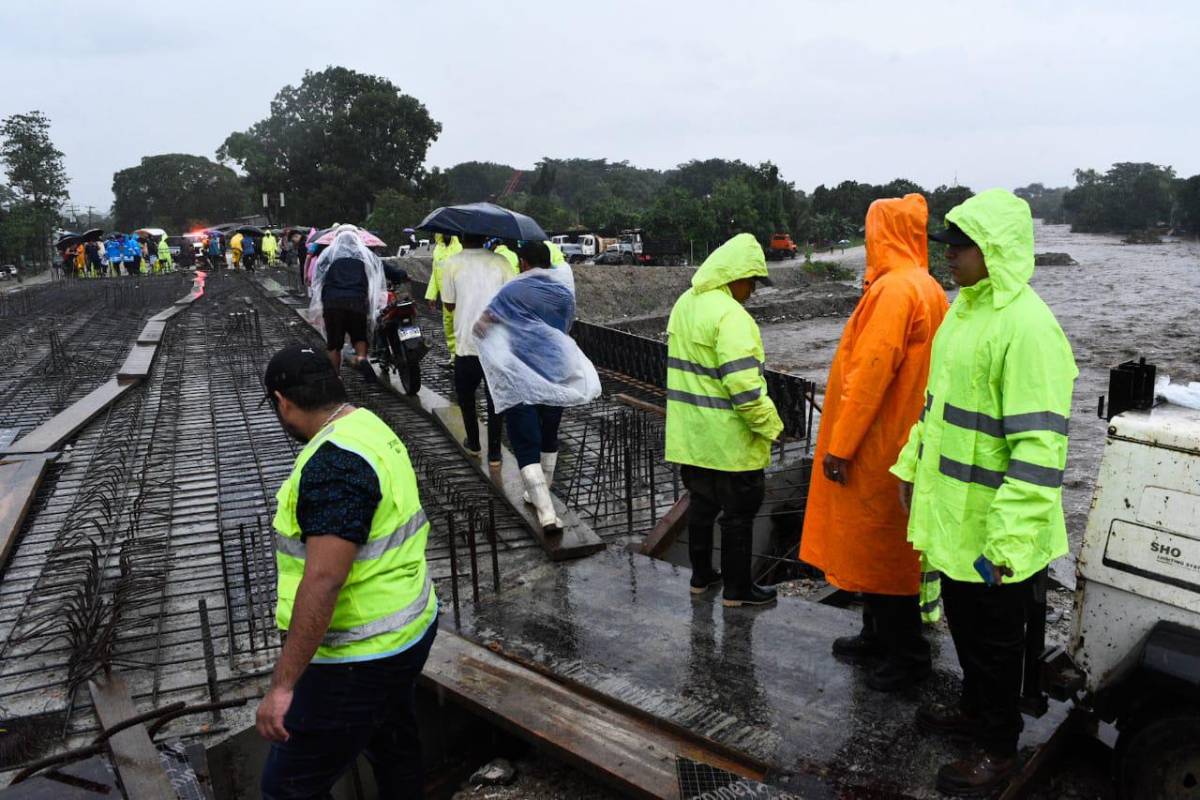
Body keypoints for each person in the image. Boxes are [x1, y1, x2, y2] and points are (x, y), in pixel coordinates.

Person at [890, 189, 1077, 796]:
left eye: (961, 248)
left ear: (992, 250)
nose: (950, 259)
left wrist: (1005, 541)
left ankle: (998, 749)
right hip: (955, 519)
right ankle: (975, 711)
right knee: (970, 631)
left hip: (997, 533)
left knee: (997, 643)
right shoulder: (965, 315)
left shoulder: (1028, 330)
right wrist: (909, 467)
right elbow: (936, 411)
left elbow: (1040, 451)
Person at [256, 344, 438, 799]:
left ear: (283, 402)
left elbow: (324, 578)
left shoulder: (334, 464)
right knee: (393, 744)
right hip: (410, 628)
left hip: (359, 656)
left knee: (288, 788)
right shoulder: (366, 424)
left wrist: (283, 686)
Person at [799, 194, 949, 691]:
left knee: (881, 549)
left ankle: (905, 654)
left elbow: (868, 377)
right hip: (901, 436)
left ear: (881, 234)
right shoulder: (924, 286)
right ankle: (876, 635)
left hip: (878, 442)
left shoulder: (894, 291)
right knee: (881, 546)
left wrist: (840, 446)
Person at [664, 233, 783, 607]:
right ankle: (737, 590)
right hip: (729, 443)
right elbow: (744, 388)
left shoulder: (685, 303)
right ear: (736, 276)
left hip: (692, 437)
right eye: (752, 282)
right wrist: (771, 426)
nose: (752, 292)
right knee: (738, 516)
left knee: (701, 506)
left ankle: (701, 578)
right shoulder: (732, 316)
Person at [473, 240, 601, 534]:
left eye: (520, 262)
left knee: (526, 440)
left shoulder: (512, 291)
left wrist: (502, 341)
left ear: (526, 263)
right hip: (555, 374)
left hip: (521, 380)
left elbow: (482, 325)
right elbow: (564, 330)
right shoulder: (564, 294)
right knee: (549, 435)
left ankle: (546, 513)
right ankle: (540, 495)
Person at [441, 233, 511, 465]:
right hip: (496, 344)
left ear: (461, 238)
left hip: (466, 344)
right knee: (495, 399)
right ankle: (495, 453)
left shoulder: (451, 263)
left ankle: (473, 443)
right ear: (485, 238)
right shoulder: (502, 262)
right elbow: (511, 300)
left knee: (467, 397)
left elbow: (449, 304)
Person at [308, 228, 386, 379]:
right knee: (359, 336)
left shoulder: (328, 255)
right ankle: (362, 358)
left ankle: (336, 376)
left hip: (333, 303)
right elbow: (379, 272)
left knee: (334, 344)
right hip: (357, 302)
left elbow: (316, 279)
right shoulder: (365, 255)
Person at [423, 233, 462, 366]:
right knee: (448, 325)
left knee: (460, 326)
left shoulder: (460, 249)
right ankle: (454, 357)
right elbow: (435, 274)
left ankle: (462, 358)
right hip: (445, 297)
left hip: (459, 296)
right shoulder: (437, 250)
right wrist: (431, 295)